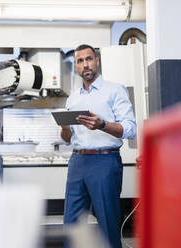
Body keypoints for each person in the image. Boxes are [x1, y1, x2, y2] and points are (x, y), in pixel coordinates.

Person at [61, 44, 136, 248]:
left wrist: (102, 124)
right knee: (71, 225)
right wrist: (64, 125)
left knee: (107, 225)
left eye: (89, 59)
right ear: (75, 66)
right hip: (77, 162)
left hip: (105, 161)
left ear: (97, 61)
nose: (85, 64)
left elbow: (130, 129)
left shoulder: (114, 90)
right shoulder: (73, 98)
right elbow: (67, 138)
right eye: (80, 61)